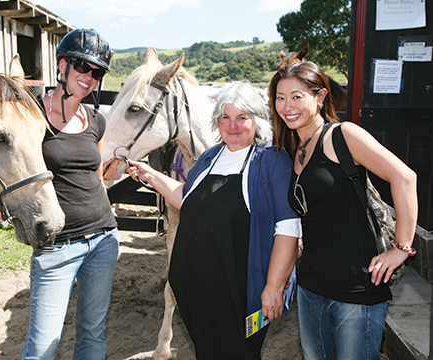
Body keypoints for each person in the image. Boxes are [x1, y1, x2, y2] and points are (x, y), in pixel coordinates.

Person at [126, 80, 301, 359]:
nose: (233, 126)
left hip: (239, 290)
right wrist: (151, 175)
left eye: (242, 118)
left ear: (257, 120)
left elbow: (289, 228)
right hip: (196, 288)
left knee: (239, 353)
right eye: (225, 118)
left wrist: (274, 287)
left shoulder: (271, 161)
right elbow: (190, 198)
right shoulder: (210, 156)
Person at [269, 61, 418, 360]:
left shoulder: (343, 136)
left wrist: (401, 247)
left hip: (357, 289)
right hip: (311, 287)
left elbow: (405, 177)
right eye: (280, 98)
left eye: (297, 96)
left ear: (321, 97)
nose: (287, 106)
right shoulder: (294, 148)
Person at [19, 28, 118, 360]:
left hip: (104, 240)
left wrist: (119, 168)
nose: (89, 77)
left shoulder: (95, 120)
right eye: (81, 66)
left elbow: (98, 174)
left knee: (93, 335)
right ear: (62, 65)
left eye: (97, 72)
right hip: (56, 248)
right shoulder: (32, 115)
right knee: (42, 346)